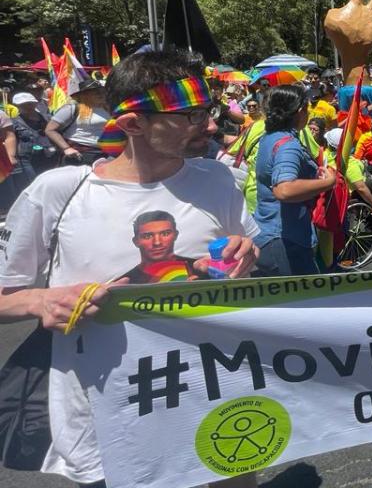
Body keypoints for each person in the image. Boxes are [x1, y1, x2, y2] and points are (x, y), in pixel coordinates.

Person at [0, 49, 259, 488]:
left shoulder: (218, 180)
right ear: (133, 125)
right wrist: (45, 300)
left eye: (208, 110)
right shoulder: (59, 191)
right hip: (106, 424)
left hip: (212, 404)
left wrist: (244, 257)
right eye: (192, 115)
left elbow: (239, 272)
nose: (211, 126)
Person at [253, 84, 338, 276]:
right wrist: (328, 182)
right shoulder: (288, 145)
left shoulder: (270, 137)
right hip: (284, 238)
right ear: (300, 112)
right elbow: (284, 189)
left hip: (269, 231)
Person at [45, 78, 110, 165]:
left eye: (102, 91)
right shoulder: (72, 108)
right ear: (84, 95)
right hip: (80, 154)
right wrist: (66, 148)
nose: (100, 94)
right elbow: (50, 130)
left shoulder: (108, 108)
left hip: (105, 153)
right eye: (95, 92)